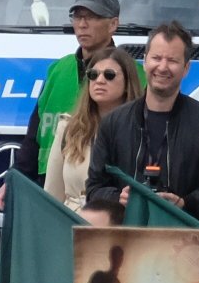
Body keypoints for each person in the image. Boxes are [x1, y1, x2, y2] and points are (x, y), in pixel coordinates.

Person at [86, 20, 199, 228]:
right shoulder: (114, 123)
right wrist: (119, 197)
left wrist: (186, 203)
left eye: (172, 60)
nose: (162, 67)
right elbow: (94, 187)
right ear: (145, 61)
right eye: (156, 58)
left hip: (186, 244)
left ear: (186, 68)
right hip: (126, 243)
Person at [31, 0, 126, 176]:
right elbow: (35, 130)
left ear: (113, 24)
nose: (82, 24)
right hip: (49, 180)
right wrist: (17, 175)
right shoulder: (58, 69)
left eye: (91, 17)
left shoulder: (134, 75)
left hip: (101, 187)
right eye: (77, 17)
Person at [44, 45, 146, 207]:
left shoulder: (142, 130)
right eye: (93, 74)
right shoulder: (68, 128)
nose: (99, 80)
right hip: (72, 223)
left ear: (127, 83)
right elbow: (52, 195)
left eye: (109, 75)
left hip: (117, 224)